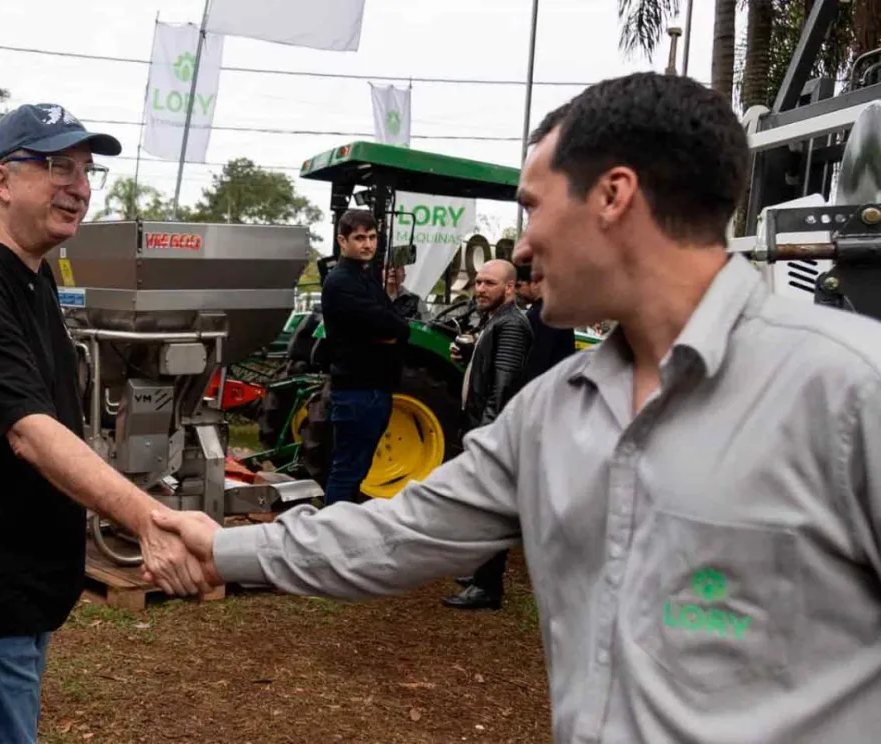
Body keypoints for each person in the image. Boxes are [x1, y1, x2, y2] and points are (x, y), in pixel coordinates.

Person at [147, 71, 881, 742]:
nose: (522, 246)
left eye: (532, 208)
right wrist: (220, 549)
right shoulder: (549, 414)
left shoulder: (852, 393)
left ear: (613, 196)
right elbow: (396, 535)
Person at [0, 103, 211, 744]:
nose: (80, 186)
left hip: (17, 582)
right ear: (2, 181)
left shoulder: (32, 275)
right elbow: (29, 430)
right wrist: (150, 519)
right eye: (57, 166)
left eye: (87, 170)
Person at [441, 259, 531, 610]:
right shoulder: (495, 321)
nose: (480, 289)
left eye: (489, 283)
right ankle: (481, 573)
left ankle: (488, 586)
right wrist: (469, 357)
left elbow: (504, 386)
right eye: (478, 282)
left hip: (491, 430)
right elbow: (490, 373)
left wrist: (486, 435)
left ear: (509, 289)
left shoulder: (511, 325)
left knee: (490, 510)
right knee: (480, 506)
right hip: (483, 425)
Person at [318, 209, 410, 505]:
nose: (367, 244)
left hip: (373, 389)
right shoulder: (342, 281)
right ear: (342, 240)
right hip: (357, 390)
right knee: (346, 472)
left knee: (357, 471)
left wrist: (393, 328)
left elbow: (396, 324)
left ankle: (341, 531)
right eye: (359, 238)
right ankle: (329, 536)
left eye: (371, 237)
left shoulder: (365, 277)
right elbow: (389, 324)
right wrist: (391, 329)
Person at [514, 262, 576, 385]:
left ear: (536, 283)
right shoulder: (555, 309)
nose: (516, 291)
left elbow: (538, 359)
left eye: (519, 286)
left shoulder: (542, 315)